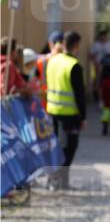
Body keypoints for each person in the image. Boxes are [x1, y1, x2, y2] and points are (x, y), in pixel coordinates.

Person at [45, 30, 86, 190]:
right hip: (69, 114)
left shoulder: (53, 61)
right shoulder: (74, 66)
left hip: (52, 111)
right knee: (68, 148)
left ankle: (57, 180)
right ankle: (58, 180)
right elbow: (79, 95)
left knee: (55, 147)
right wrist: (83, 117)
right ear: (75, 46)